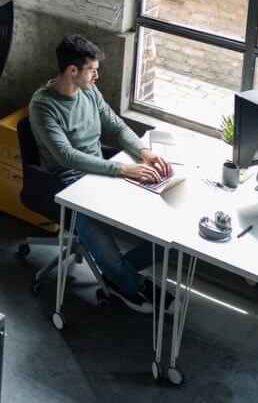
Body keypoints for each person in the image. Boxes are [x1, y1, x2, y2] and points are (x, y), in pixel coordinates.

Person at [29, 35, 172, 313]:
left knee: (166, 229)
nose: (97, 75)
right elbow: (66, 156)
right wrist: (123, 169)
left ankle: (118, 274)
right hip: (69, 184)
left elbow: (115, 126)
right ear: (73, 70)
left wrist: (144, 153)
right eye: (92, 69)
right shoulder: (43, 105)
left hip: (101, 172)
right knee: (105, 248)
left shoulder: (89, 91)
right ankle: (129, 285)